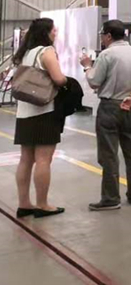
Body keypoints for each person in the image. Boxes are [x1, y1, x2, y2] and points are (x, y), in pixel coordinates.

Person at [80, 20, 131, 212]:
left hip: (110, 107)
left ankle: (111, 198)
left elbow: (94, 82)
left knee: (109, 154)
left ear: (109, 36)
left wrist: (87, 66)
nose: (101, 39)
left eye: (102, 35)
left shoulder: (107, 55)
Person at [12, 18, 68, 219]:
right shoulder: (46, 51)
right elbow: (58, 78)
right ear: (46, 32)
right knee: (44, 159)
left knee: (25, 159)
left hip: (24, 112)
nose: (55, 33)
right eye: (54, 30)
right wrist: (67, 81)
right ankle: (42, 204)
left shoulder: (26, 53)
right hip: (44, 111)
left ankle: (24, 204)